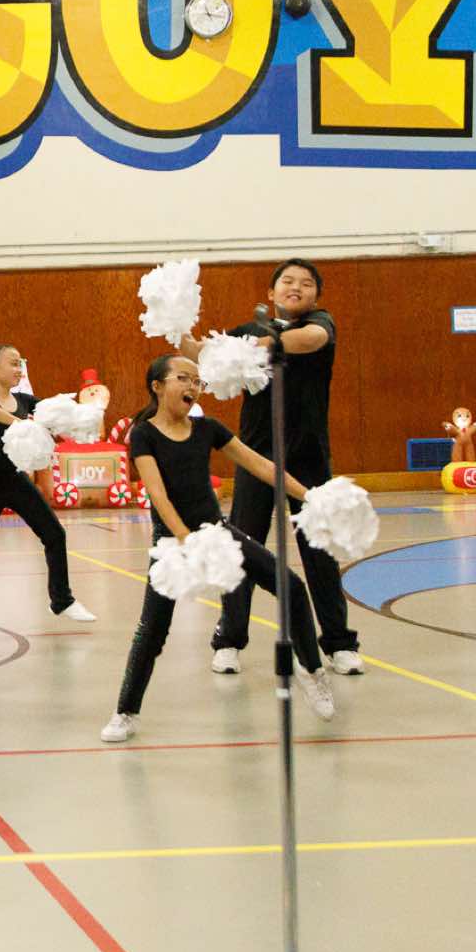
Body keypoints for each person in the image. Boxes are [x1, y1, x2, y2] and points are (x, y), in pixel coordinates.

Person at [102, 355, 334, 743]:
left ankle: (311, 671)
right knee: (152, 631)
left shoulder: (207, 428)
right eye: (183, 378)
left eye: (197, 381)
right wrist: (184, 539)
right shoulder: (143, 435)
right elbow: (157, 493)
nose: (192, 387)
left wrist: (309, 496)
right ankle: (125, 712)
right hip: (173, 544)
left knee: (291, 585)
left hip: (217, 532)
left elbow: (261, 465)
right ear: (157, 386)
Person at [211, 259, 363, 676]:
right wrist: (182, 333)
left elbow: (308, 340)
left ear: (316, 295)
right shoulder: (248, 330)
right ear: (271, 292)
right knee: (242, 549)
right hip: (256, 457)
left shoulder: (319, 323)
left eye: (306, 283)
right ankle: (229, 641)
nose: (296, 287)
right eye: (288, 281)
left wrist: (254, 346)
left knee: (319, 553)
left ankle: (339, 644)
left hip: (309, 459)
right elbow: (206, 357)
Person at [0, 343, 94, 640]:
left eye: (21, 364)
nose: (19, 369)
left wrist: (79, 417)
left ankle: (62, 600)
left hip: (15, 479)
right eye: (13, 363)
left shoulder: (24, 400)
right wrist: (23, 424)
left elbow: (51, 414)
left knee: (54, 534)